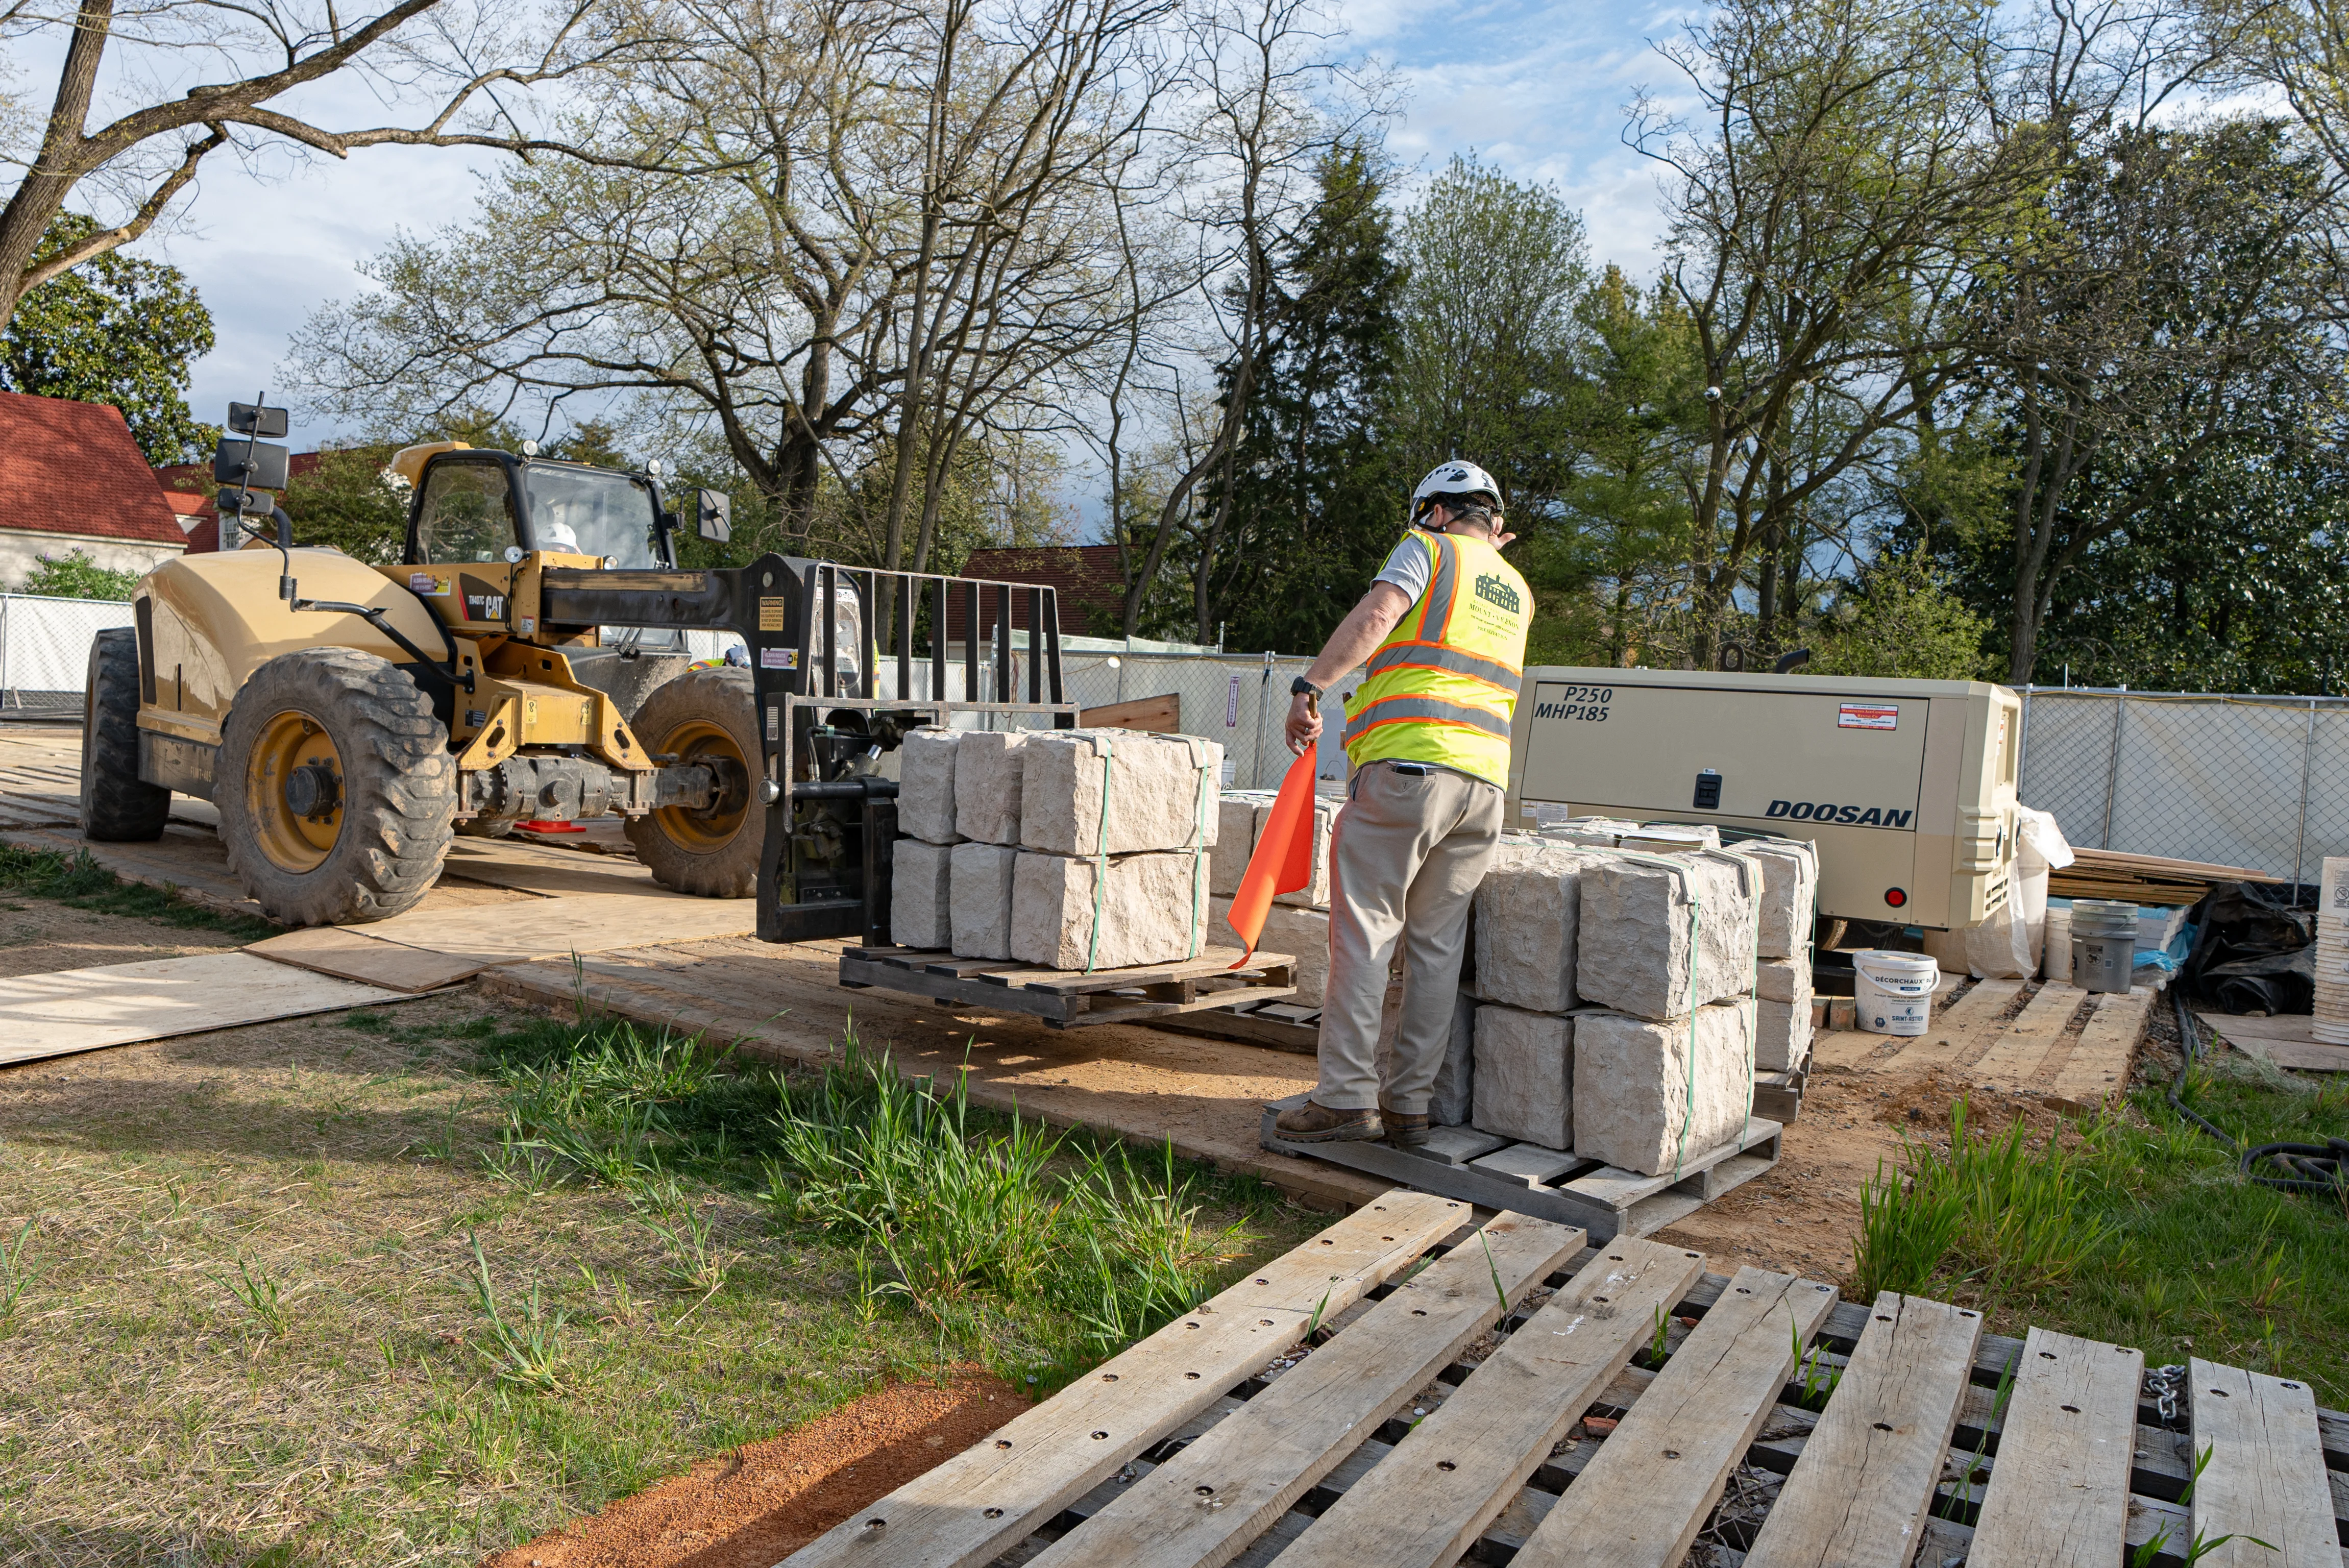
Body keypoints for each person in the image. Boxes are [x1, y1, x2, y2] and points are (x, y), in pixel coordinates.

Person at [1272, 461, 1532, 1146]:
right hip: (1483, 787)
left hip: (1407, 770)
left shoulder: (1428, 549)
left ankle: (1342, 1100)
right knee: (1434, 951)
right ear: (1492, 521)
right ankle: (1407, 1107)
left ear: (1437, 513)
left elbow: (1378, 614)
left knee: (1365, 934)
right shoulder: (1514, 588)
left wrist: (1311, 686)